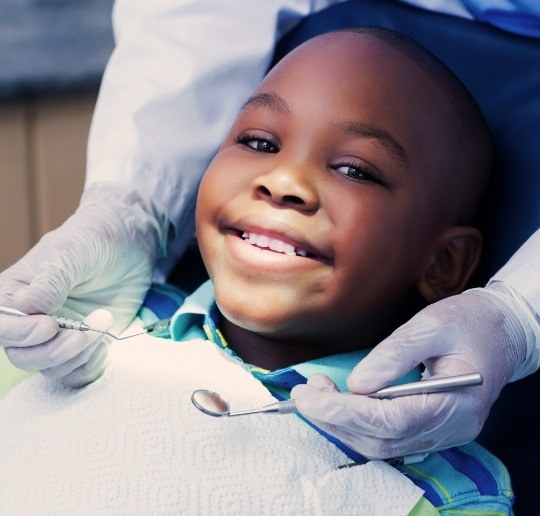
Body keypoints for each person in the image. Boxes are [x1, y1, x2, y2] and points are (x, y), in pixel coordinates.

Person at [0, 29, 514, 514]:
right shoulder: (80, 331)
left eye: (355, 170)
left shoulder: (450, 490)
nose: (284, 180)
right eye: (261, 143)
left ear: (443, 263)